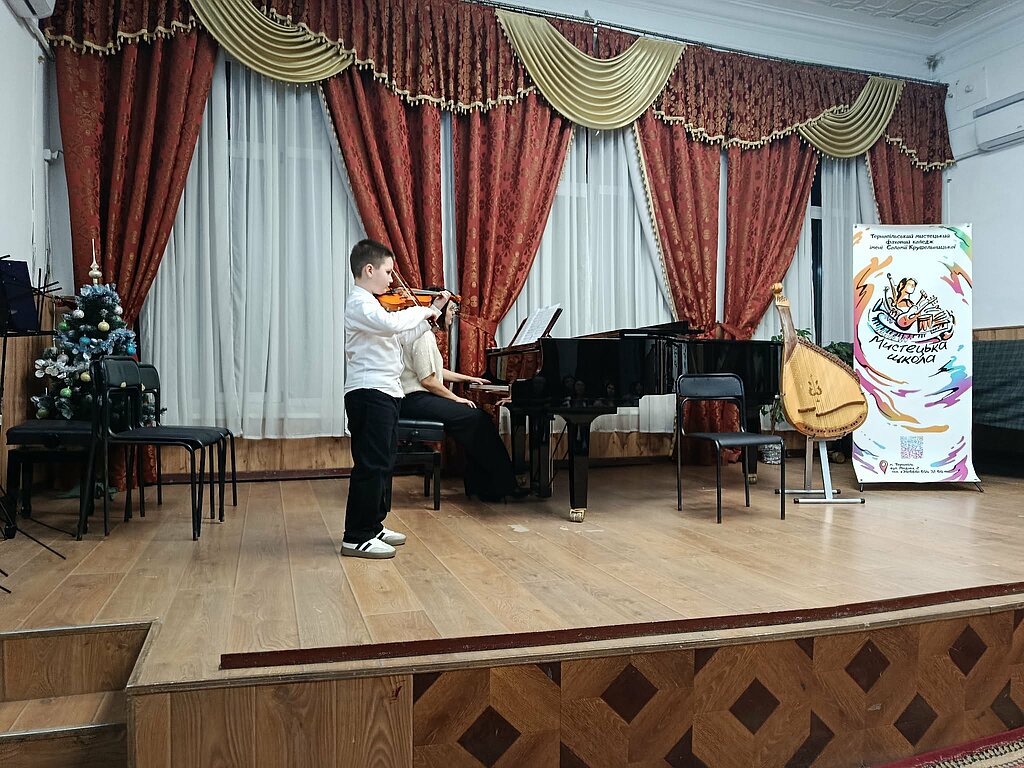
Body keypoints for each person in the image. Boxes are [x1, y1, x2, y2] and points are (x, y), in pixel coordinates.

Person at [343, 239, 448, 559]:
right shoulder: (359, 303)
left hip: (387, 392)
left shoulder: (375, 306)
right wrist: (422, 309)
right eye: (388, 272)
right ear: (369, 270)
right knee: (371, 464)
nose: (392, 279)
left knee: (384, 462)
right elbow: (391, 324)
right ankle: (356, 536)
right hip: (368, 392)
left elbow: (400, 336)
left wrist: (432, 317)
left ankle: (373, 525)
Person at [398, 293, 523, 502]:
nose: (452, 316)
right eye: (451, 311)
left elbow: (435, 371)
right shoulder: (423, 336)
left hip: (418, 399)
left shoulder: (423, 333)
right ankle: (500, 485)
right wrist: (455, 399)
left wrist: (467, 378)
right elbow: (428, 380)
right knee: (477, 419)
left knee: (473, 421)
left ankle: (482, 485)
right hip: (414, 400)